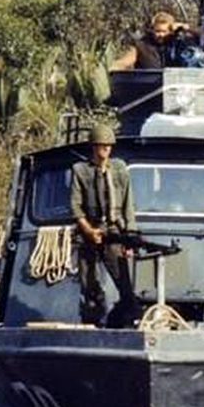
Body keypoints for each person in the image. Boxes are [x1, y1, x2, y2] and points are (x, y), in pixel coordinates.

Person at [70, 123, 140, 328]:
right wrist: (88, 230)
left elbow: (128, 204)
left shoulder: (119, 169)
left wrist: (130, 236)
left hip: (114, 231)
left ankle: (129, 318)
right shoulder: (81, 171)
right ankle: (93, 319)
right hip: (89, 231)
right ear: (94, 147)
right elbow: (75, 206)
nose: (106, 149)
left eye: (109, 146)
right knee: (88, 282)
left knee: (123, 282)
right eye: (102, 145)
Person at [110, 11, 189, 71]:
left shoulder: (177, 45)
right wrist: (116, 67)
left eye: (164, 31)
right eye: (157, 31)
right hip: (148, 84)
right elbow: (127, 60)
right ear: (152, 30)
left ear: (171, 32)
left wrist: (185, 28)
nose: (161, 35)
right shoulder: (142, 45)